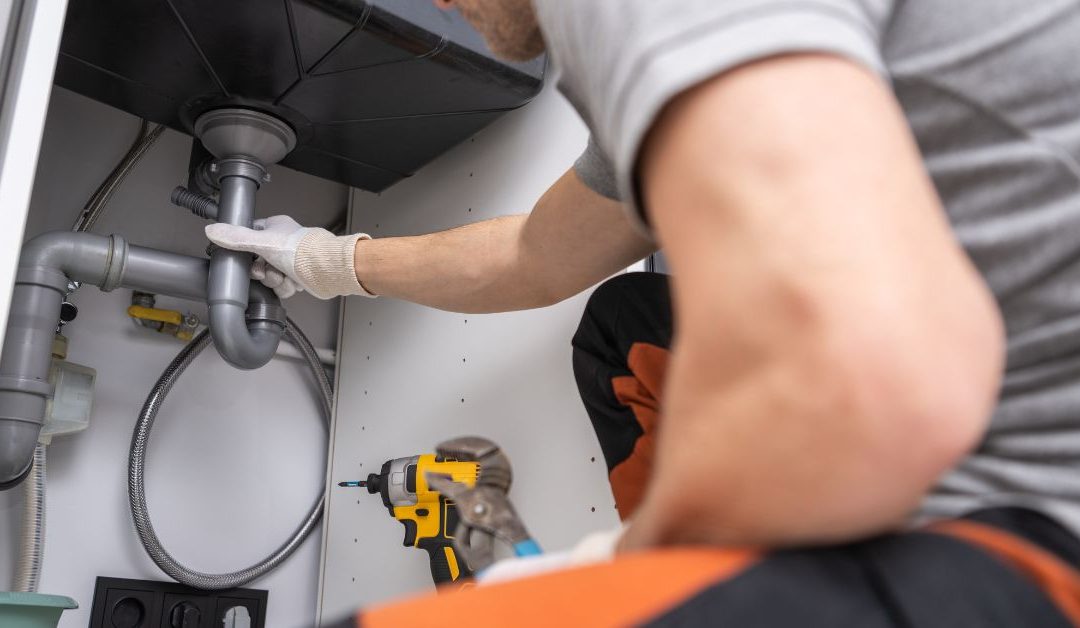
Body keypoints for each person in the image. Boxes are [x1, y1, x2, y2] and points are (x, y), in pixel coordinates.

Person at [206, 1, 1080, 625]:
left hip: (1027, 543)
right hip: (981, 468)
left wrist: (630, 568)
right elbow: (535, 255)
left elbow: (853, 368)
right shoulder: (729, 52)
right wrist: (324, 263)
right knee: (626, 326)